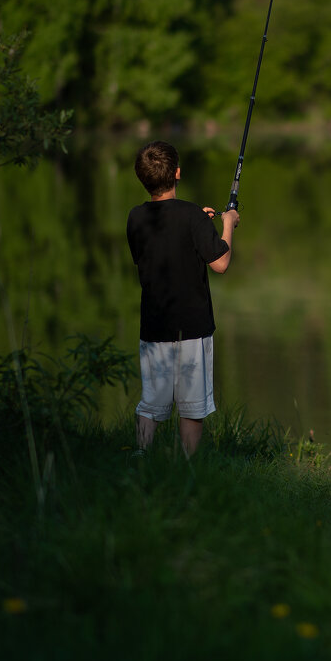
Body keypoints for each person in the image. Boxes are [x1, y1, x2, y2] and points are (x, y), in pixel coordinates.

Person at [126, 141, 239, 458]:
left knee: (152, 399)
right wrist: (227, 225)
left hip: (154, 325)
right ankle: (188, 466)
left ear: (142, 178)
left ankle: (141, 453)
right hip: (192, 327)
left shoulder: (136, 218)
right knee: (191, 405)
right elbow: (220, 263)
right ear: (177, 173)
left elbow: (161, 244)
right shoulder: (193, 216)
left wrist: (199, 223)